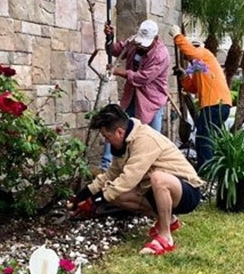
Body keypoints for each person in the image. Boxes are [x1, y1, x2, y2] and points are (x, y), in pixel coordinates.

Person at [73, 104, 203, 256]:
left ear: (119, 132)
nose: (106, 141)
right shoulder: (125, 143)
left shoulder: (144, 139)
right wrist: (80, 197)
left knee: (158, 178)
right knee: (118, 194)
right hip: (155, 192)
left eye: (107, 136)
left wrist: (94, 202)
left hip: (186, 191)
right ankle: (170, 220)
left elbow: (129, 178)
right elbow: (110, 175)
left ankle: (165, 237)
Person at [100, 20, 169, 169]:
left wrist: (119, 71)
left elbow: (143, 78)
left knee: (150, 139)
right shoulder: (134, 41)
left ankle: (149, 172)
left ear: (155, 39)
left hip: (151, 101)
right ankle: (106, 166)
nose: (141, 46)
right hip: (131, 96)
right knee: (115, 125)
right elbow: (115, 51)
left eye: (145, 43)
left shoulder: (161, 55)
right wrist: (109, 37)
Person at [169, 26, 232, 171]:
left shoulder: (205, 54)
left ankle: (206, 170)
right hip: (216, 105)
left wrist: (178, 36)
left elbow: (191, 52)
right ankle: (209, 168)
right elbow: (193, 88)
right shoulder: (199, 68)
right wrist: (183, 76)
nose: (190, 57)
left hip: (215, 105)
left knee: (203, 138)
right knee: (205, 137)